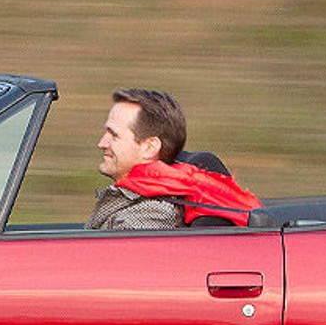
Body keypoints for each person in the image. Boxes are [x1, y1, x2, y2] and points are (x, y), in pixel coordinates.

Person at [86, 89, 261, 230]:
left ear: (149, 147)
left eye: (114, 135)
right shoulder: (134, 198)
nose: (102, 143)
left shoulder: (145, 218)